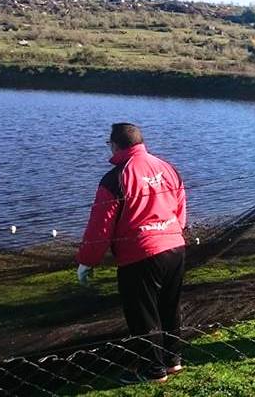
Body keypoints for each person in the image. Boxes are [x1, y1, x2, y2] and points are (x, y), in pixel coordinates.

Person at [76, 123, 187, 384]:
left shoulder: (115, 178)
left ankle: (154, 371)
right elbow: (180, 209)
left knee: (143, 314)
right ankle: (173, 361)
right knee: (169, 307)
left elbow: (99, 228)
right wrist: (170, 233)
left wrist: (86, 261)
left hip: (140, 254)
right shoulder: (168, 168)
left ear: (115, 145)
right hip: (175, 247)